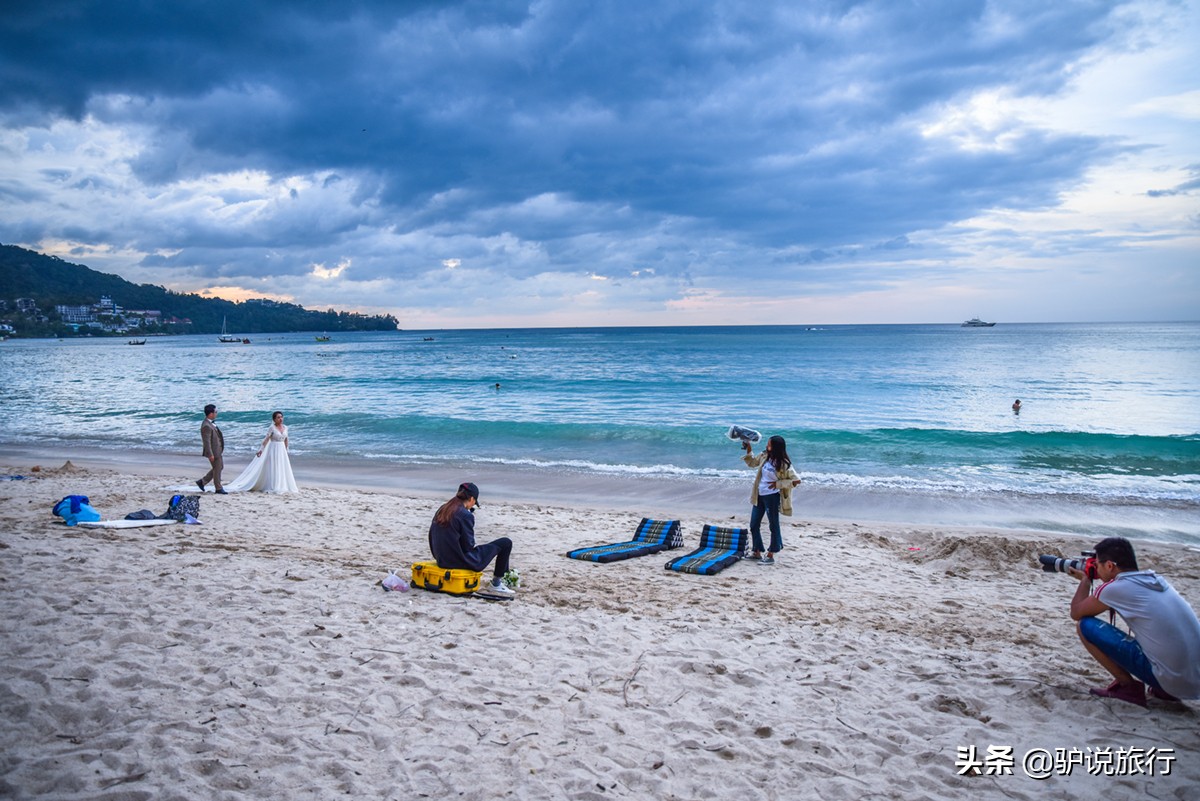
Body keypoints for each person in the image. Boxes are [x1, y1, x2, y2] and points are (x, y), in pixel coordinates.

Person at [1068, 536, 1200, 705]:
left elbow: (1076, 612)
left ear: (1109, 566)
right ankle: (1163, 689)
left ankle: (1128, 687)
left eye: (1097, 565)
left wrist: (1085, 581)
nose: (1096, 569)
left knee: (1085, 625)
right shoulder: (1156, 581)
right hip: (1194, 681)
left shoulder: (1115, 588)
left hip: (1172, 682)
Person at [428, 482, 514, 596]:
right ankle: (496, 583)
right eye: (474, 502)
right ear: (472, 499)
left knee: (491, 547)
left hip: (441, 558)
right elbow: (468, 546)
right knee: (506, 543)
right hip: (458, 561)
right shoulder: (465, 515)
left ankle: (499, 582)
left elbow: (432, 534)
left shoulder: (443, 508)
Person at [740, 435, 802, 564]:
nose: (766, 446)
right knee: (754, 524)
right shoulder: (764, 456)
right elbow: (752, 462)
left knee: (773, 525)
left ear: (776, 447)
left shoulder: (784, 464)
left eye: (769, 444)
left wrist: (778, 484)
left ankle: (770, 555)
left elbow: (796, 480)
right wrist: (748, 446)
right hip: (759, 495)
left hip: (772, 497)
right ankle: (757, 552)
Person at [223, 411, 299, 493]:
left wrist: (286, 450)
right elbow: (266, 439)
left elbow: (286, 439)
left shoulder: (285, 427)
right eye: (278, 417)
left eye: (281, 417)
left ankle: (282, 484)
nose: (280, 419)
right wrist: (261, 450)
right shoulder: (272, 428)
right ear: (274, 419)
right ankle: (273, 485)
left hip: (282, 450)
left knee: (282, 466)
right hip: (273, 449)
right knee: (274, 466)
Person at [197, 404, 227, 494]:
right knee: (217, 468)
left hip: (217, 450)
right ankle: (218, 488)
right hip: (213, 451)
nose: (216, 413)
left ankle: (202, 482)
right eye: (215, 412)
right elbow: (206, 442)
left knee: (219, 467)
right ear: (210, 414)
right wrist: (210, 454)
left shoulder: (210, 423)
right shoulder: (206, 425)